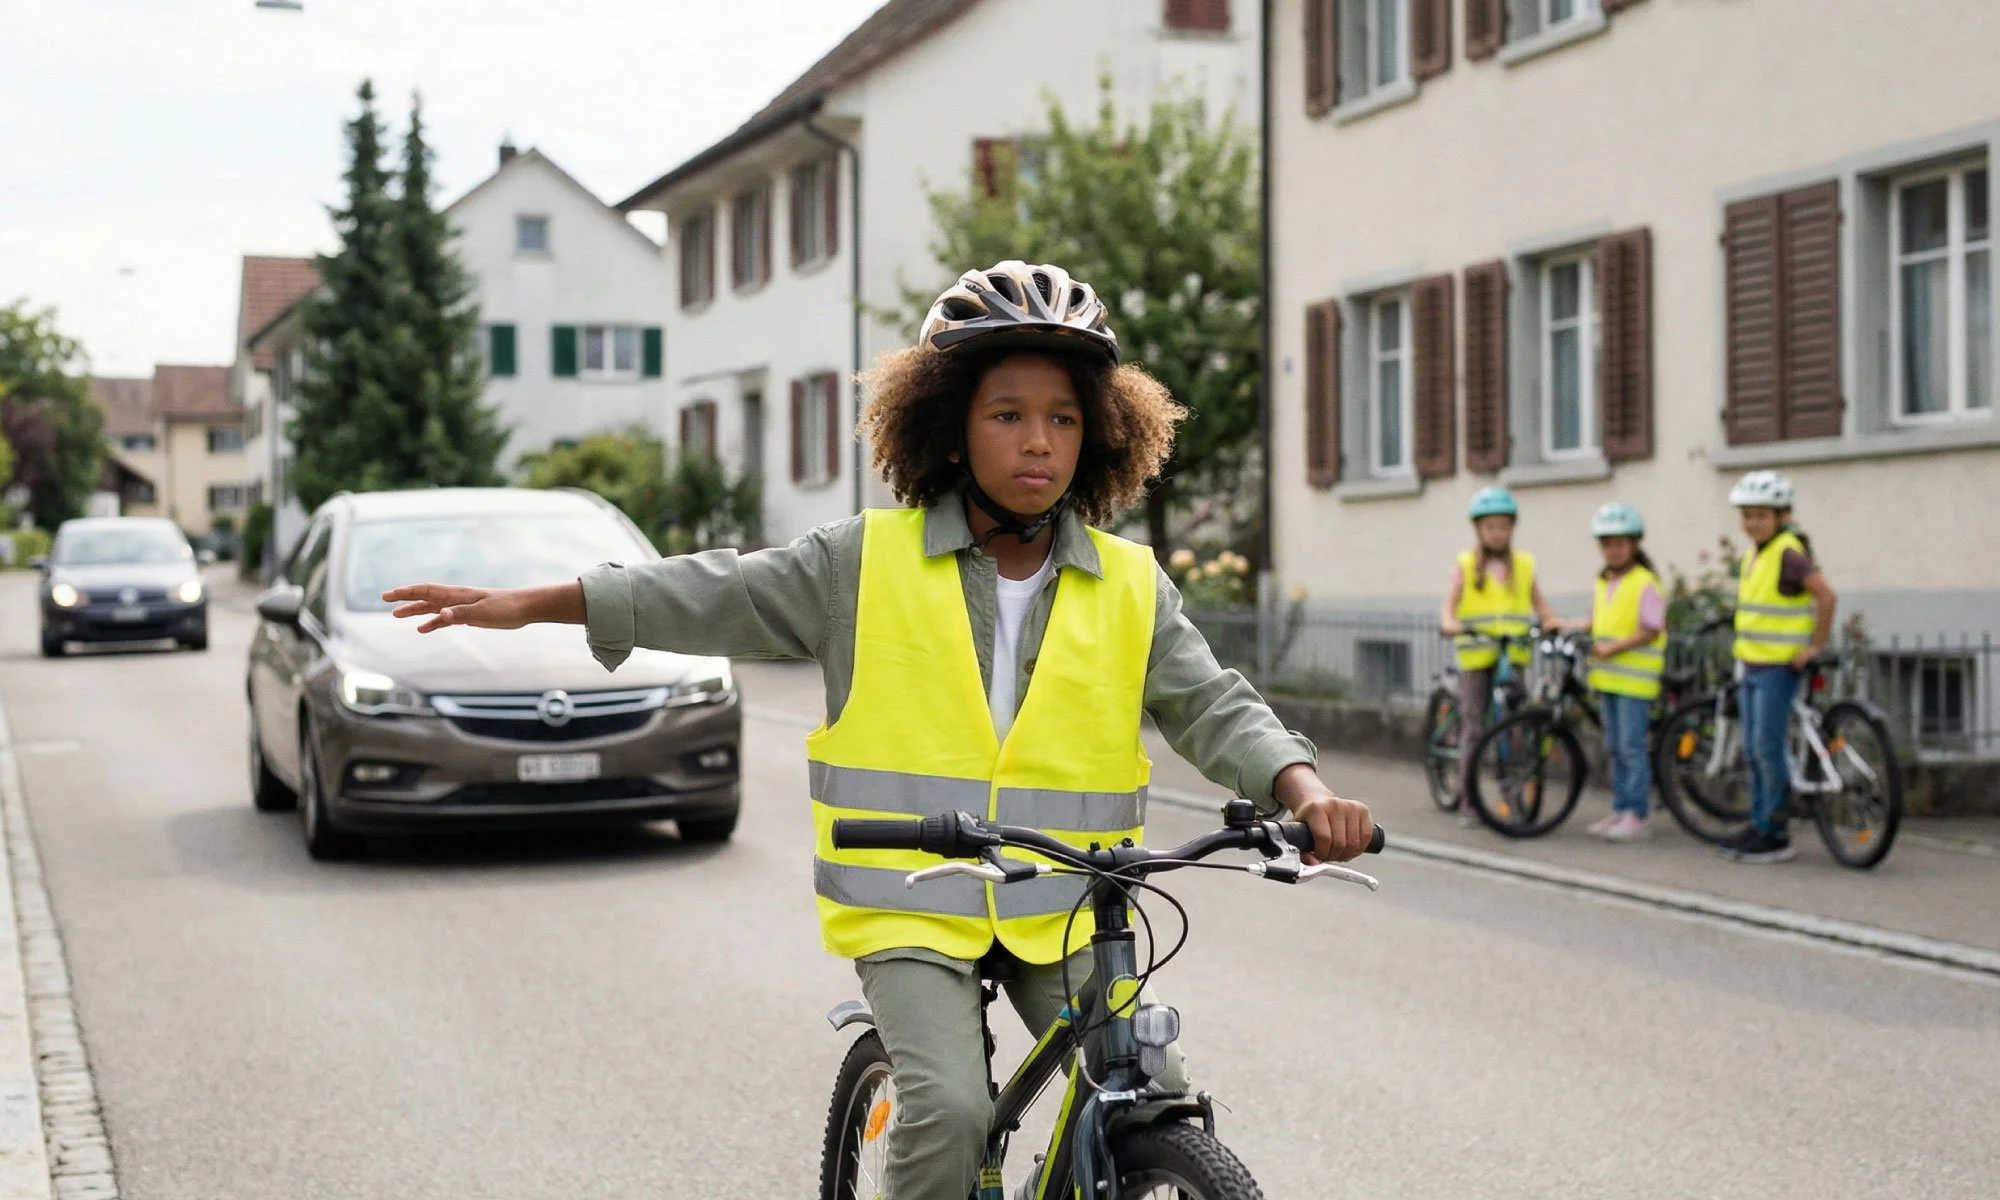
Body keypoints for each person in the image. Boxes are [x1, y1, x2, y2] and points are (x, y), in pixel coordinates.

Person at [381, 260, 1374, 1198]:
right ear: (950, 431)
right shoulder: (860, 564)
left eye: (1063, 418)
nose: (1039, 441)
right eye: (1008, 415)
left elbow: (1213, 701)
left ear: (1098, 434)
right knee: (948, 1109)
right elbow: (711, 590)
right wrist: (540, 604)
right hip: (912, 896)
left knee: (1134, 1080)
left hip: (1068, 894)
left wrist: (1304, 791)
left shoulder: (1129, 585)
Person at [1723, 470, 1836, 864]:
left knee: (1767, 748)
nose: (1752, 522)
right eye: (1747, 515)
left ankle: (1776, 831)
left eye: (1761, 515)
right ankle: (1758, 824)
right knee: (1753, 749)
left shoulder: (1788, 551)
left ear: (1781, 515)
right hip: (1753, 664)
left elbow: (1826, 596)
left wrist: (1815, 646)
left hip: (1777, 669)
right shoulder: (1756, 553)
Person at [1439, 486, 1562, 828]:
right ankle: (1469, 799)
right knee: (1475, 727)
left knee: (1516, 729)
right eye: (1490, 526)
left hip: (1513, 655)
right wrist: (1450, 623)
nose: (1496, 532)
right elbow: (1449, 607)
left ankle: (1513, 794)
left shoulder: (1523, 565)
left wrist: (1551, 621)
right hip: (1477, 657)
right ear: (1479, 529)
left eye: (1502, 526)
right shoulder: (1466, 565)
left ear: (1511, 529)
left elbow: (1540, 603)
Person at [1579, 503, 1667, 843]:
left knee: (1631, 747)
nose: (1613, 550)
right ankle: (1620, 809)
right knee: (1614, 747)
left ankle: (1638, 814)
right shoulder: (1605, 581)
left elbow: (1652, 629)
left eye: (1620, 543)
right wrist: (1568, 625)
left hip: (1634, 680)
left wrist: (1613, 649)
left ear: (1634, 545)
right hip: (1609, 678)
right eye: (1607, 544)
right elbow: (1596, 621)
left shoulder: (1645, 582)